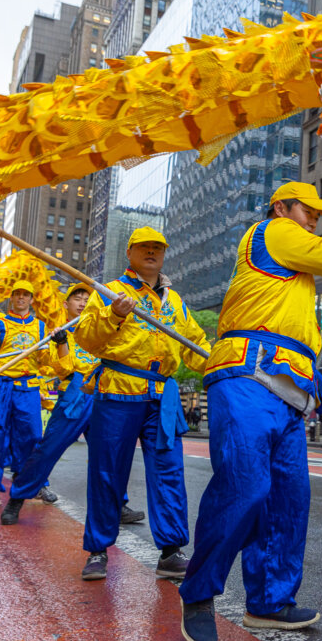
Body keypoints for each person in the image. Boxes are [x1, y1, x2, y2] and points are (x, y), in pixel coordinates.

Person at [178, 181, 322, 641]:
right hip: (248, 375)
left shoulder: (295, 267)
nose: (315, 218)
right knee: (245, 488)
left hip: (291, 390)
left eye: (320, 212)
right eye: (307, 210)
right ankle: (197, 595)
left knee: (289, 501)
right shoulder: (273, 232)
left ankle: (270, 601)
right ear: (281, 207)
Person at [74, 227, 210, 581]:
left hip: (161, 398)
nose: (151, 251)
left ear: (164, 254)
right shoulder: (111, 292)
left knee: (168, 471)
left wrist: (229, 363)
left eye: (158, 247)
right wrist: (114, 316)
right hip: (118, 390)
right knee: (107, 471)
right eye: (144, 247)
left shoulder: (175, 301)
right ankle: (98, 550)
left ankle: (170, 550)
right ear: (130, 252)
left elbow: (195, 346)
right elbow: (86, 338)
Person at [1, 284, 147, 525]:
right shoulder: (58, 333)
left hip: (104, 389)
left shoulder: (103, 329)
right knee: (49, 448)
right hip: (75, 392)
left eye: (86, 299)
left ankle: (118, 505)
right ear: (65, 304)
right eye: (76, 298)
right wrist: (61, 344)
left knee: (110, 453)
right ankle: (17, 497)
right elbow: (64, 369)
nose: (81, 302)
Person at [0, 281, 70, 509]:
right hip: (2, 386)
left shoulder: (40, 328)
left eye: (25, 295)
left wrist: (57, 345)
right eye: (17, 294)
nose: (21, 298)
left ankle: (38, 484)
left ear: (31, 300)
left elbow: (45, 361)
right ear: (11, 298)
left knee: (32, 436)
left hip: (28, 388)